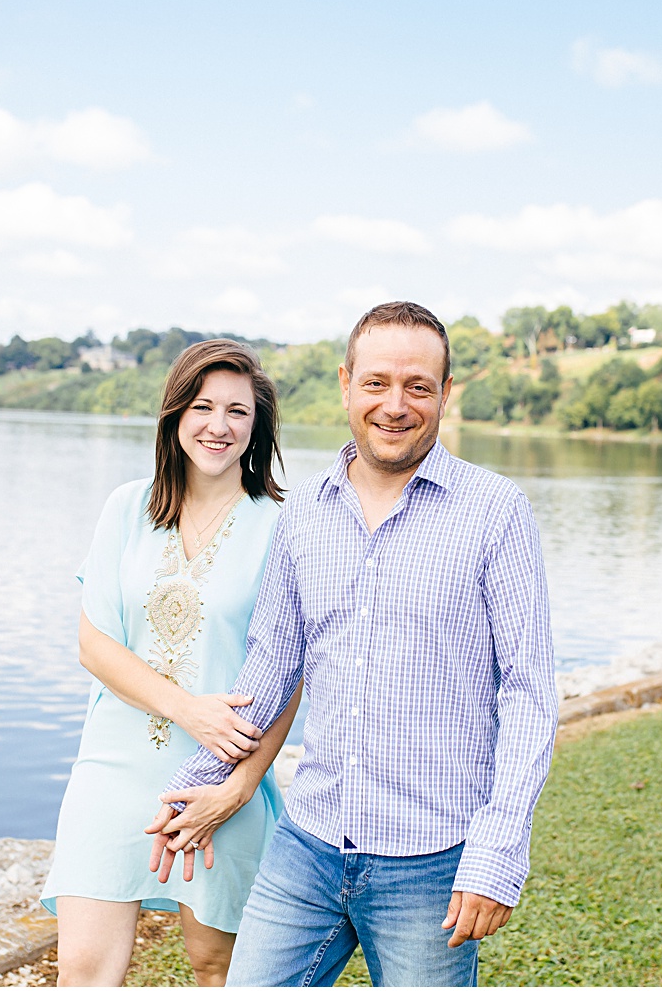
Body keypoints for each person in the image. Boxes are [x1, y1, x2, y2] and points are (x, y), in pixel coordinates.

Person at [147, 301, 557, 987]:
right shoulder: (305, 509)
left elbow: (529, 693)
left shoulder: (497, 511)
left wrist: (498, 846)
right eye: (376, 383)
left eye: (417, 386)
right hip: (306, 844)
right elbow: (273, 662)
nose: (395, 404)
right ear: (345, 384)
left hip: (432, 862)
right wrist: (203, 776)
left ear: (445, 394)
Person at [41, 339, 303, 987]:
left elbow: (291, 673)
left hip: (218, 780)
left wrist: (239, 787)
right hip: (111, 768)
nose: (219, 425)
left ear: (257, 426)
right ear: (175, 412)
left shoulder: (285, 525)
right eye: (203, 405)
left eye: (237, 411)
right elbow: (94, 645)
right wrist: (186, 707)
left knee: (220, 964)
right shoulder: (127, 507)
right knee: (81, 968)